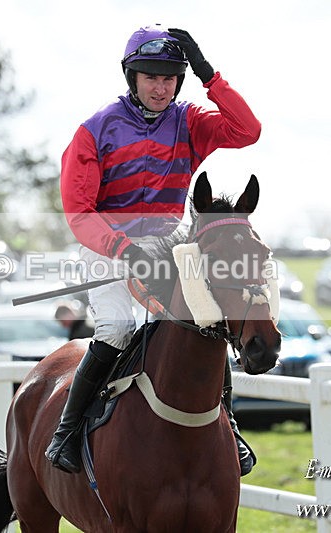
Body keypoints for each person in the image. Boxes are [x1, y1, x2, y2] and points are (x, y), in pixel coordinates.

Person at [47, 25, 262, 475]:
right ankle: (65, 432)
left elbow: (247, 130)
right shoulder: (94, 130)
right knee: (119, 328)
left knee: (205, 324)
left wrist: (208, 73)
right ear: (132, 77)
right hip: (106, 244)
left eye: (170, 78)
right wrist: (123, 248)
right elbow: (80, 212)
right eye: (151, 77)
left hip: (168, 244)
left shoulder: (190, 121)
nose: (161, 87)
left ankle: (229, 426)